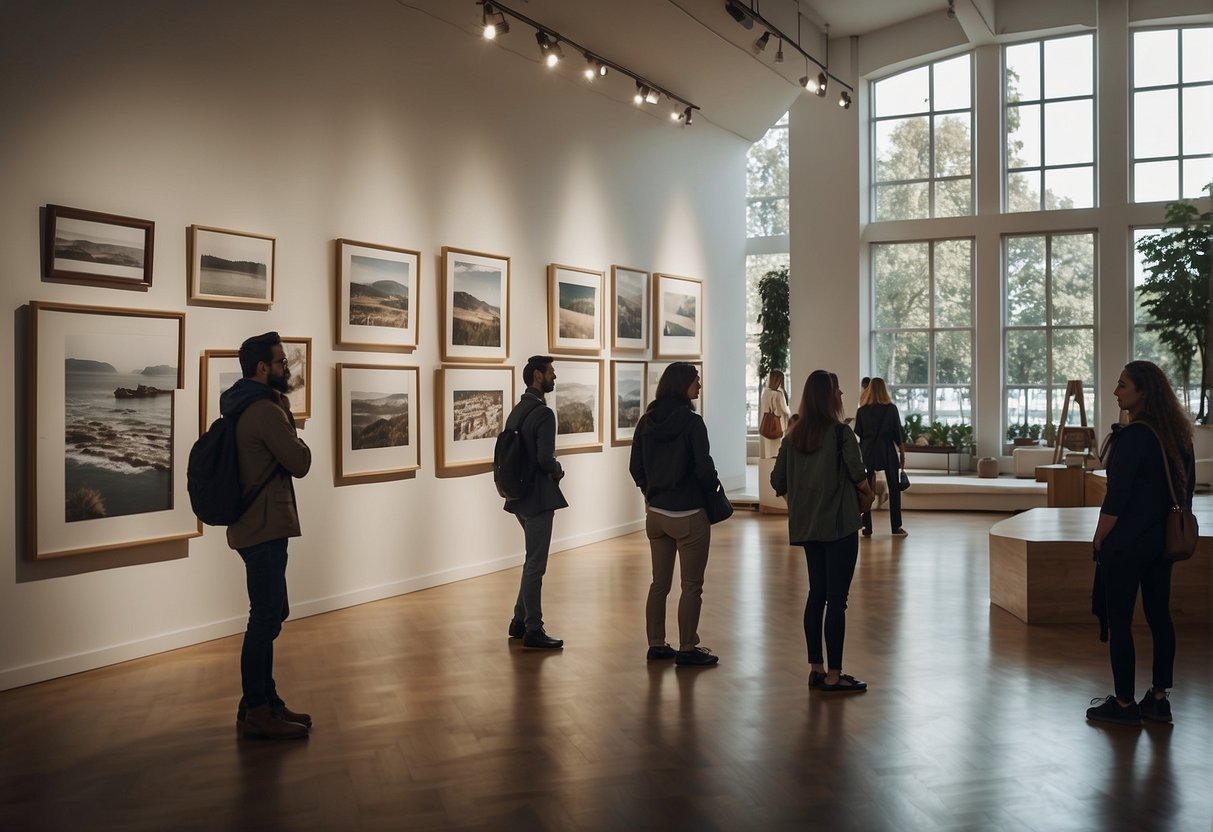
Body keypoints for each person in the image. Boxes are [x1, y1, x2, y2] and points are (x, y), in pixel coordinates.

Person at [1088, 360, 1195, 726]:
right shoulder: (1177, 437)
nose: (1116, 391)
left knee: (1120, 621)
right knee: (1159, 616)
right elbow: (1187, 490)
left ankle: (1122, 703)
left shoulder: (1134, 437)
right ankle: (1159, 698)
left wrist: (1099, 537)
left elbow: (1116, 497)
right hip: (1160, 544)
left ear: (1143, 393)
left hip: (1126, 543)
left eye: (1122, 385)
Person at [225, 332, 313, 740]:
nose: (286, 368)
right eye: (281, 362)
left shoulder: (244, 404)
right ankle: (258, 708)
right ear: (263, 367)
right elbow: (299, 462)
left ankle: (264, 700)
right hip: (263, 528)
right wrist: (291, 423)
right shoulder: (265, 410)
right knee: (264, 619)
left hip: (256, 526)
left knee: (271, 614)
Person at [771, 369, 872, 693]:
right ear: (828, 396)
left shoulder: (793, 435)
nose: (842, 395)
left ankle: (816, 669)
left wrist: (801, 500)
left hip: (808, 526)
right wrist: (867, 498)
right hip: (840, 526)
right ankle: (834, 675)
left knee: (816, 595)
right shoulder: (841, 433)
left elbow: (777, 481)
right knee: (836, 600)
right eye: (838, 390)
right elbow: (859, 475)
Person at [629, 362, 720, 667]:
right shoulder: (693, 424)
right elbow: (705, 470)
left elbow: (635, 468)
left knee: (659, 583)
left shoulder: (646, 422)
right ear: (682, 385)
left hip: (656, 514)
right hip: (689, 513)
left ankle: (656, 644)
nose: (700, 385)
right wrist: (709, 489)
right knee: (691, 585)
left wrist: (650, 492)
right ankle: (687, 647)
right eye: (696, 380)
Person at [504, 355, 568, 649]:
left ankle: (519, 621)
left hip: (518, 496)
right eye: (551, 372)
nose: (554, 377)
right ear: (538, 376)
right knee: (536, 565)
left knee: (531, 560)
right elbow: (544, 458)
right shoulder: (543, 414)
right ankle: (533, 629)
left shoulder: (517, 411)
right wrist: (557, 470)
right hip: (538, 497)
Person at [853, 377, 907, 537]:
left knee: (866, 489)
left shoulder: (862, 410)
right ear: (884, 390)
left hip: (868, 451)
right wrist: (902, 453)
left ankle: (867, 527)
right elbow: (898, 433)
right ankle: (896, 526)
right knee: (894, 488)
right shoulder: (891, 409)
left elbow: (858, 432)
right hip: (887, 451)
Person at [758, 370, 792, 459]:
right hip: (778, 425)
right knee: (777, 451)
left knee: (769, 453)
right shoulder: (778, 394)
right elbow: (785, 410)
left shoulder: (765, 393)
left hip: (766, 424)